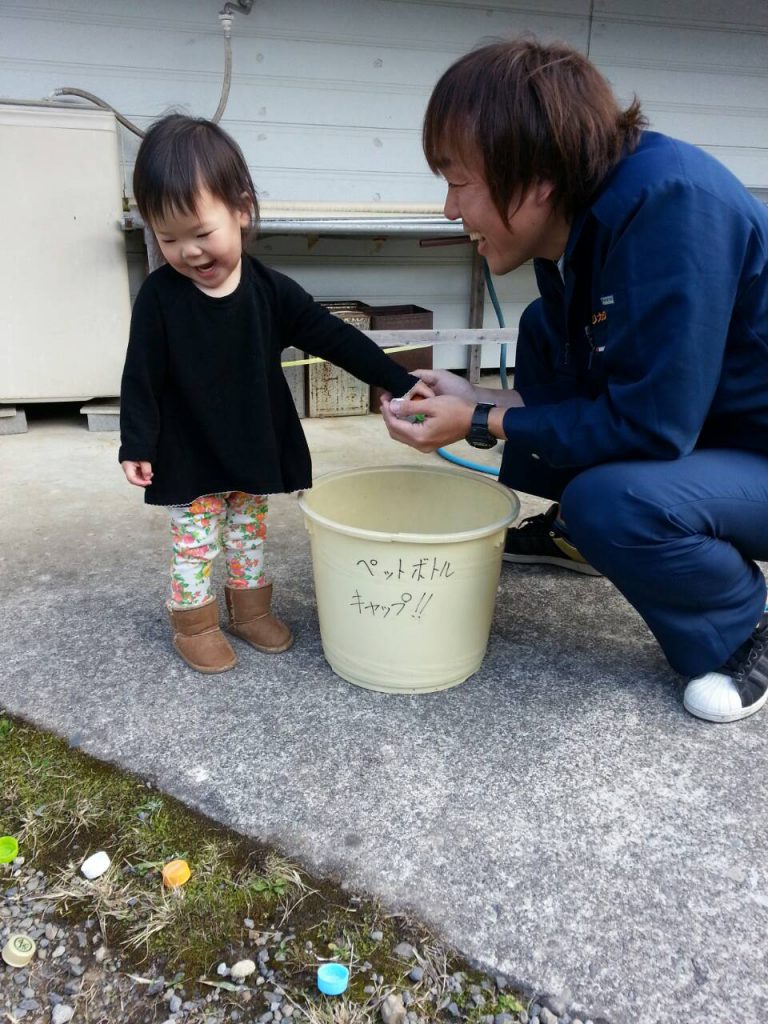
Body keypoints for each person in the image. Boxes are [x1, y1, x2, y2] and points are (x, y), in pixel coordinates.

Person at [382, 38, 768, 724]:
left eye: (457, 180)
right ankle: (577, 539)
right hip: (718, 428)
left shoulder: (670, 206)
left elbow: (650, 425)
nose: (449, 209)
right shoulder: (577, 225)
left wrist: (478, 423)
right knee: (543, 328)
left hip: (750, 449)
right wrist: (481, 398)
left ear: (534, 176)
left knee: (614, 502)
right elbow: (591, 385)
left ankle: (741, 631)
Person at [119, 114, 420, 674]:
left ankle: (250, 610)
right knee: (195, 542)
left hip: (251, 441)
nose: (188, 252)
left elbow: (334, 336)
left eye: (201, 232)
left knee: (249, 533)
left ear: (241, 210)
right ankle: (196, 622)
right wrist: (136, 441)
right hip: (186, 450)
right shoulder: (159, 299)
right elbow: (140, 374)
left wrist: (399, 380)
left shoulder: (269, 291)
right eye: (168, 238)